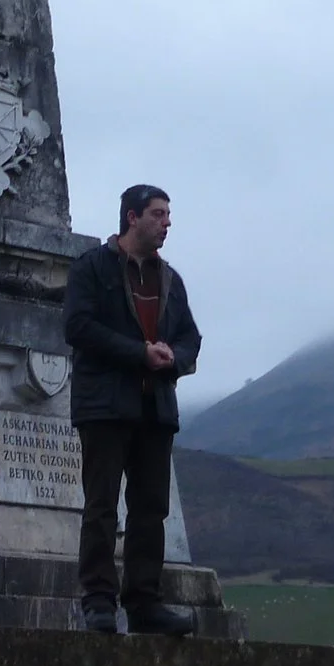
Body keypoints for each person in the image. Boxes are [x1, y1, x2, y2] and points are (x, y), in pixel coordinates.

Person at [63, 184, 201, 634]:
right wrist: (139, 353)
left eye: (167, 214)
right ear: (131, 217)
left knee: (150, 508)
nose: (167, 223)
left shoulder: (170, 280)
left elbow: (190, 338)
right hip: (104, 406)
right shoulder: (91, 268)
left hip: (155, 407)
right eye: (158, 214)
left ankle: (144, 603)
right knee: (101, 505)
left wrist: (172, 358)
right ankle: (99, 601)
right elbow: (79, 328)